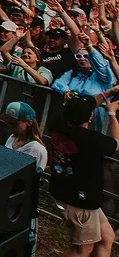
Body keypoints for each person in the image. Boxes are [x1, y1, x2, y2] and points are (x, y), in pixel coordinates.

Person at [49, 95, 117, 257]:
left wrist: (111, 91)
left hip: (65, 193)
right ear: (91, 117)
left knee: (107, 237)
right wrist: (112, 113)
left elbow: (85, 105)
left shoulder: (57, 126)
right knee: (82, 250)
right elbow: (116, 141)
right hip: (80, 203)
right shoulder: (92, 140)